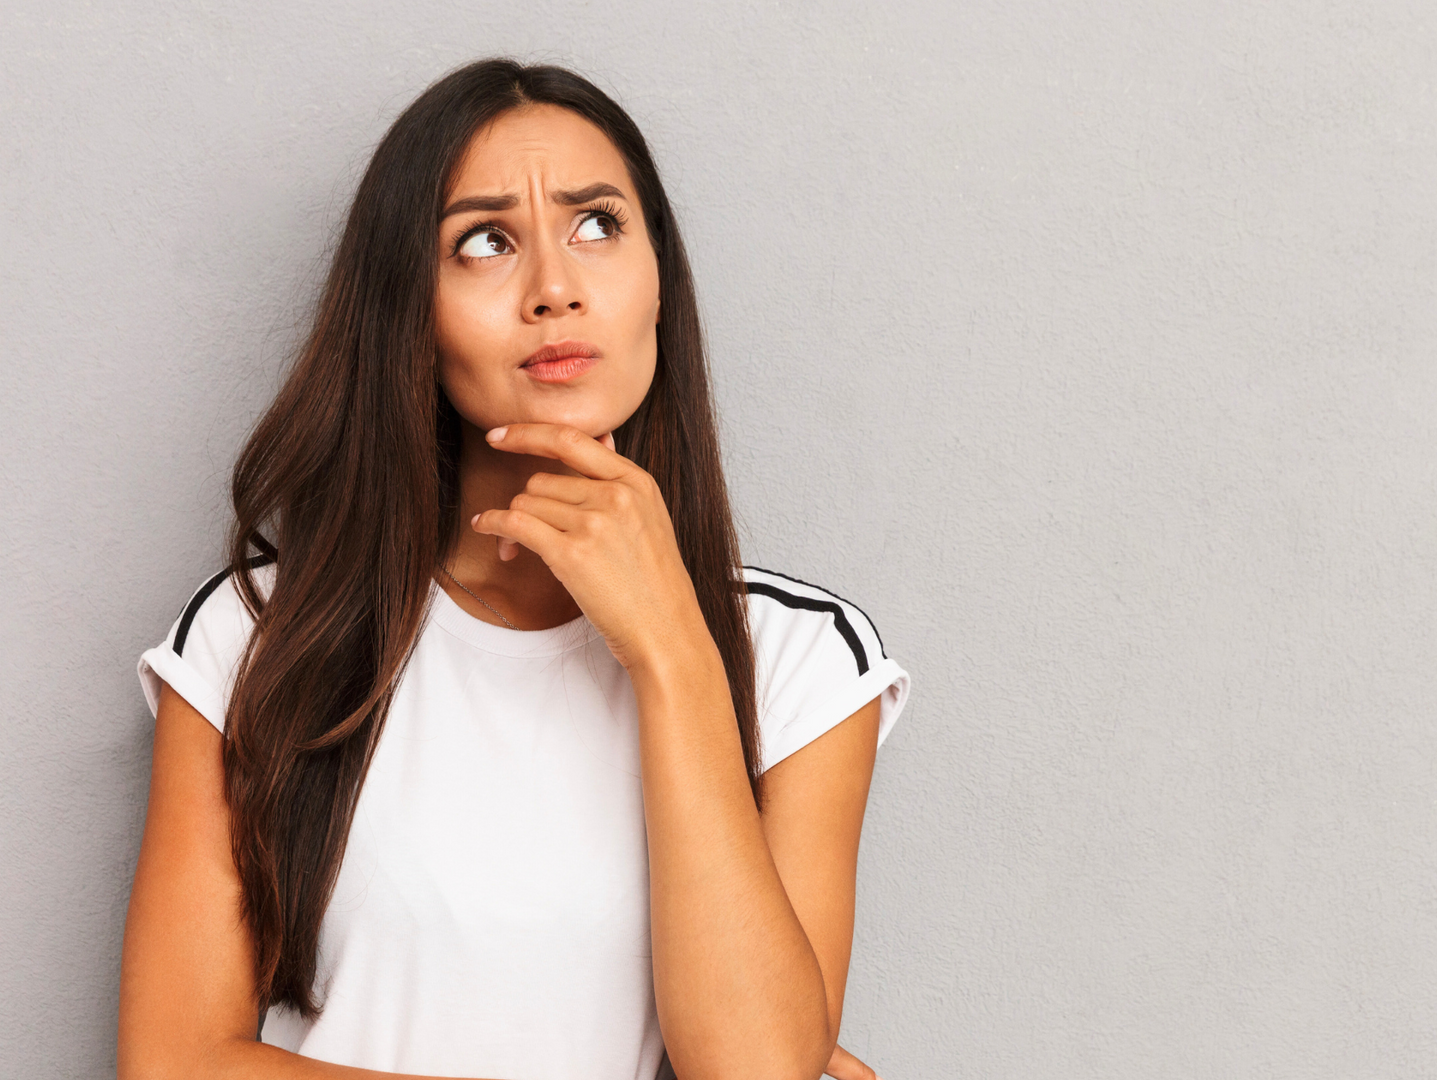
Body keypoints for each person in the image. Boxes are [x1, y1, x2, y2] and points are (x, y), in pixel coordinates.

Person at [117, 58, 910, 1080]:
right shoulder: (260, 637)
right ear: (411, 308)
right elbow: (173, 1065)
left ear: (659, 281)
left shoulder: (805, 663)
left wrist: (671, 649)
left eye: (597, 226)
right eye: (485, 242)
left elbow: (754, 1066)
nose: (554, 290)